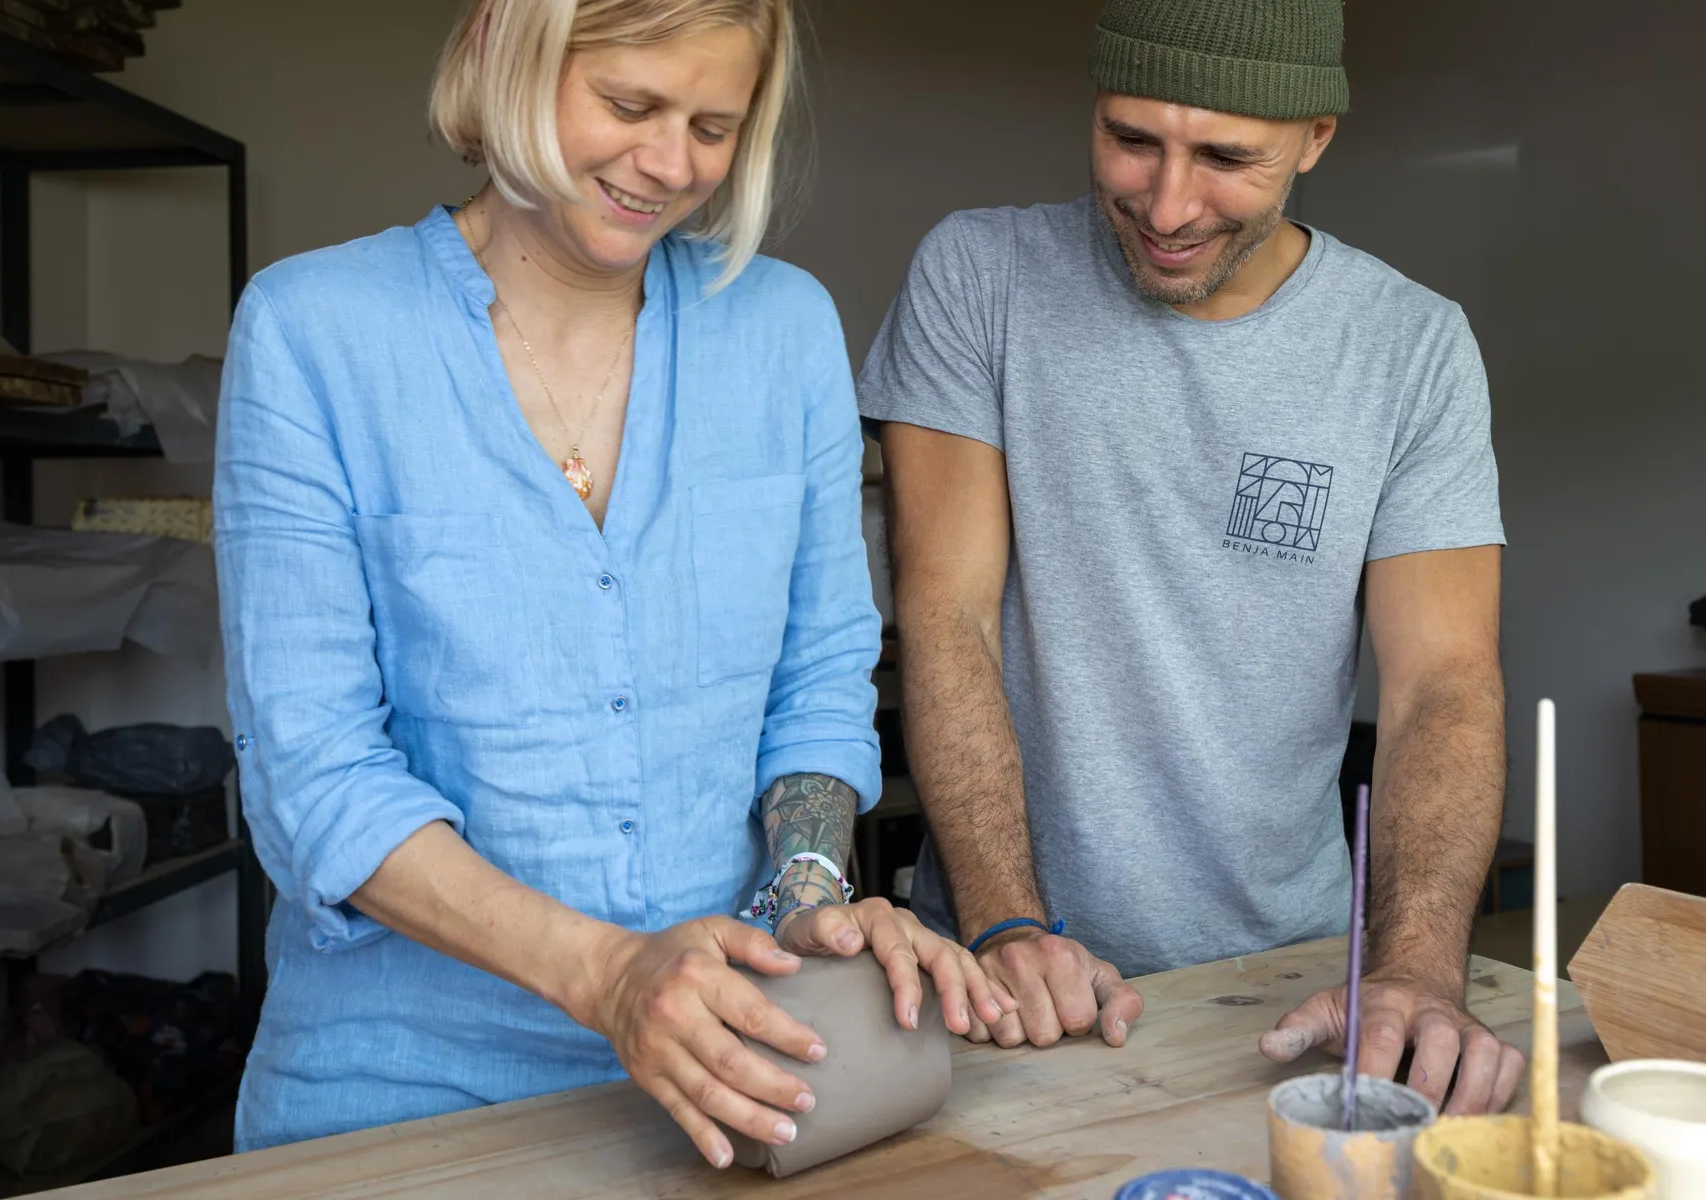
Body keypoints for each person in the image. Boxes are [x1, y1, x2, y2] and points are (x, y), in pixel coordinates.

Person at [214, 0, 1008, 1165]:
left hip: (741, 1071)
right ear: (502, 55)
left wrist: (809, 899)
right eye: (628, 106)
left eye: (713, 125)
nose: (668, 165)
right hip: (390, 1088)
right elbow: (314, 775)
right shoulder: (313, 332)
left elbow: (820, 680)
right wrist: (608, 976)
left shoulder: (784, 330)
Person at [860, 0, 1523, 1115]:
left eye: (1226, 158)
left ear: (1314, 139)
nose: (1168, 205)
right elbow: (947, 617)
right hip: (999, 971)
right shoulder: (977, 278)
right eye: (1132, 139)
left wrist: (1412, 969)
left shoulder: (1413, 349)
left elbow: (1441, 687)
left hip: (1292, 987)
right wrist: (1008, 923)